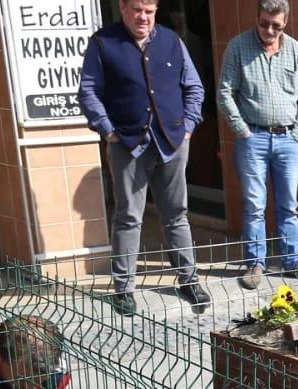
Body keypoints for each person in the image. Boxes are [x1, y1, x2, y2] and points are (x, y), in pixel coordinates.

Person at [78, 0, 211, 316]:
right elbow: (88, 91)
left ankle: (188, 280)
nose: (143, 17)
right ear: (123, 7)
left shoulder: (171, 41)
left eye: (149, 11)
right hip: (127, 144)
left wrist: (189, 126)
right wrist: (108, 131)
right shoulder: (103, 43)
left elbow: (193, 87)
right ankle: (124, 290)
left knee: (176, 214)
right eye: (137, 9)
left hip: (172, 143)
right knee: (128, 217)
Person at [218, 0, 298, 290]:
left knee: (289, 205)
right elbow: (225, 93)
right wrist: (242, 130)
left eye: (276, 25)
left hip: (288, 138)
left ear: (285, 22)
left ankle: (292, 260)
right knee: (254, 204)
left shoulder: (297, 51)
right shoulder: (238, 47)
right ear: (257, 18)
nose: (269, 30)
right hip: (254, 138)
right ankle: (255, 263)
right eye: (264, 23)